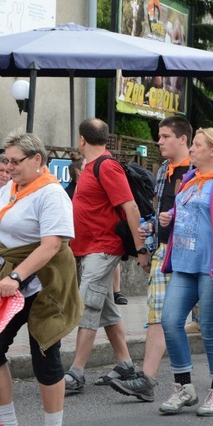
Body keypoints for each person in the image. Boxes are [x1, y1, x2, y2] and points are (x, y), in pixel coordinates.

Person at [0, 133, 82, 426]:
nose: (9, 167)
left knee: (45, 355)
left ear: (37, 160)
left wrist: (18, 277)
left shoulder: (51, 194)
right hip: (11, 280)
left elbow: (50, 245)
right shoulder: (12, 188)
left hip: (45, 283)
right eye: (6, 160)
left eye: (15, 161)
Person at [158, 128, 213, 416]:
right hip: (184, 265)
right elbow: (190, 215)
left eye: (197, 145)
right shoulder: (188, 179)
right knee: (170, 322)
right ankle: (184, 386)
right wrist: (169, 217)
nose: (192, 150)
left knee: (210, 328)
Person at [111, 116, 193, 402]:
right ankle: (147, 380)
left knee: (205, 320)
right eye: (159, 136)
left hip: (192, 254)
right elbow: (157, 210)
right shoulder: (163, 171)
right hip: (164, 250)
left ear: (183, 139)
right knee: (157, 314)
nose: (159, 142)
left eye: (166, 136)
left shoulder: (197, 170)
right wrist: (148, 237)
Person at [64, 118, 147, 395]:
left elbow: (131, 208)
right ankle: (124, 363)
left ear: (81, 140)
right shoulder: (90, 166)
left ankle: (76, 373)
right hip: (89, 248)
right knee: (107, 309)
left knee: (86, 306)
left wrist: (141, 250)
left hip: (103, 248)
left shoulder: (106, 166)